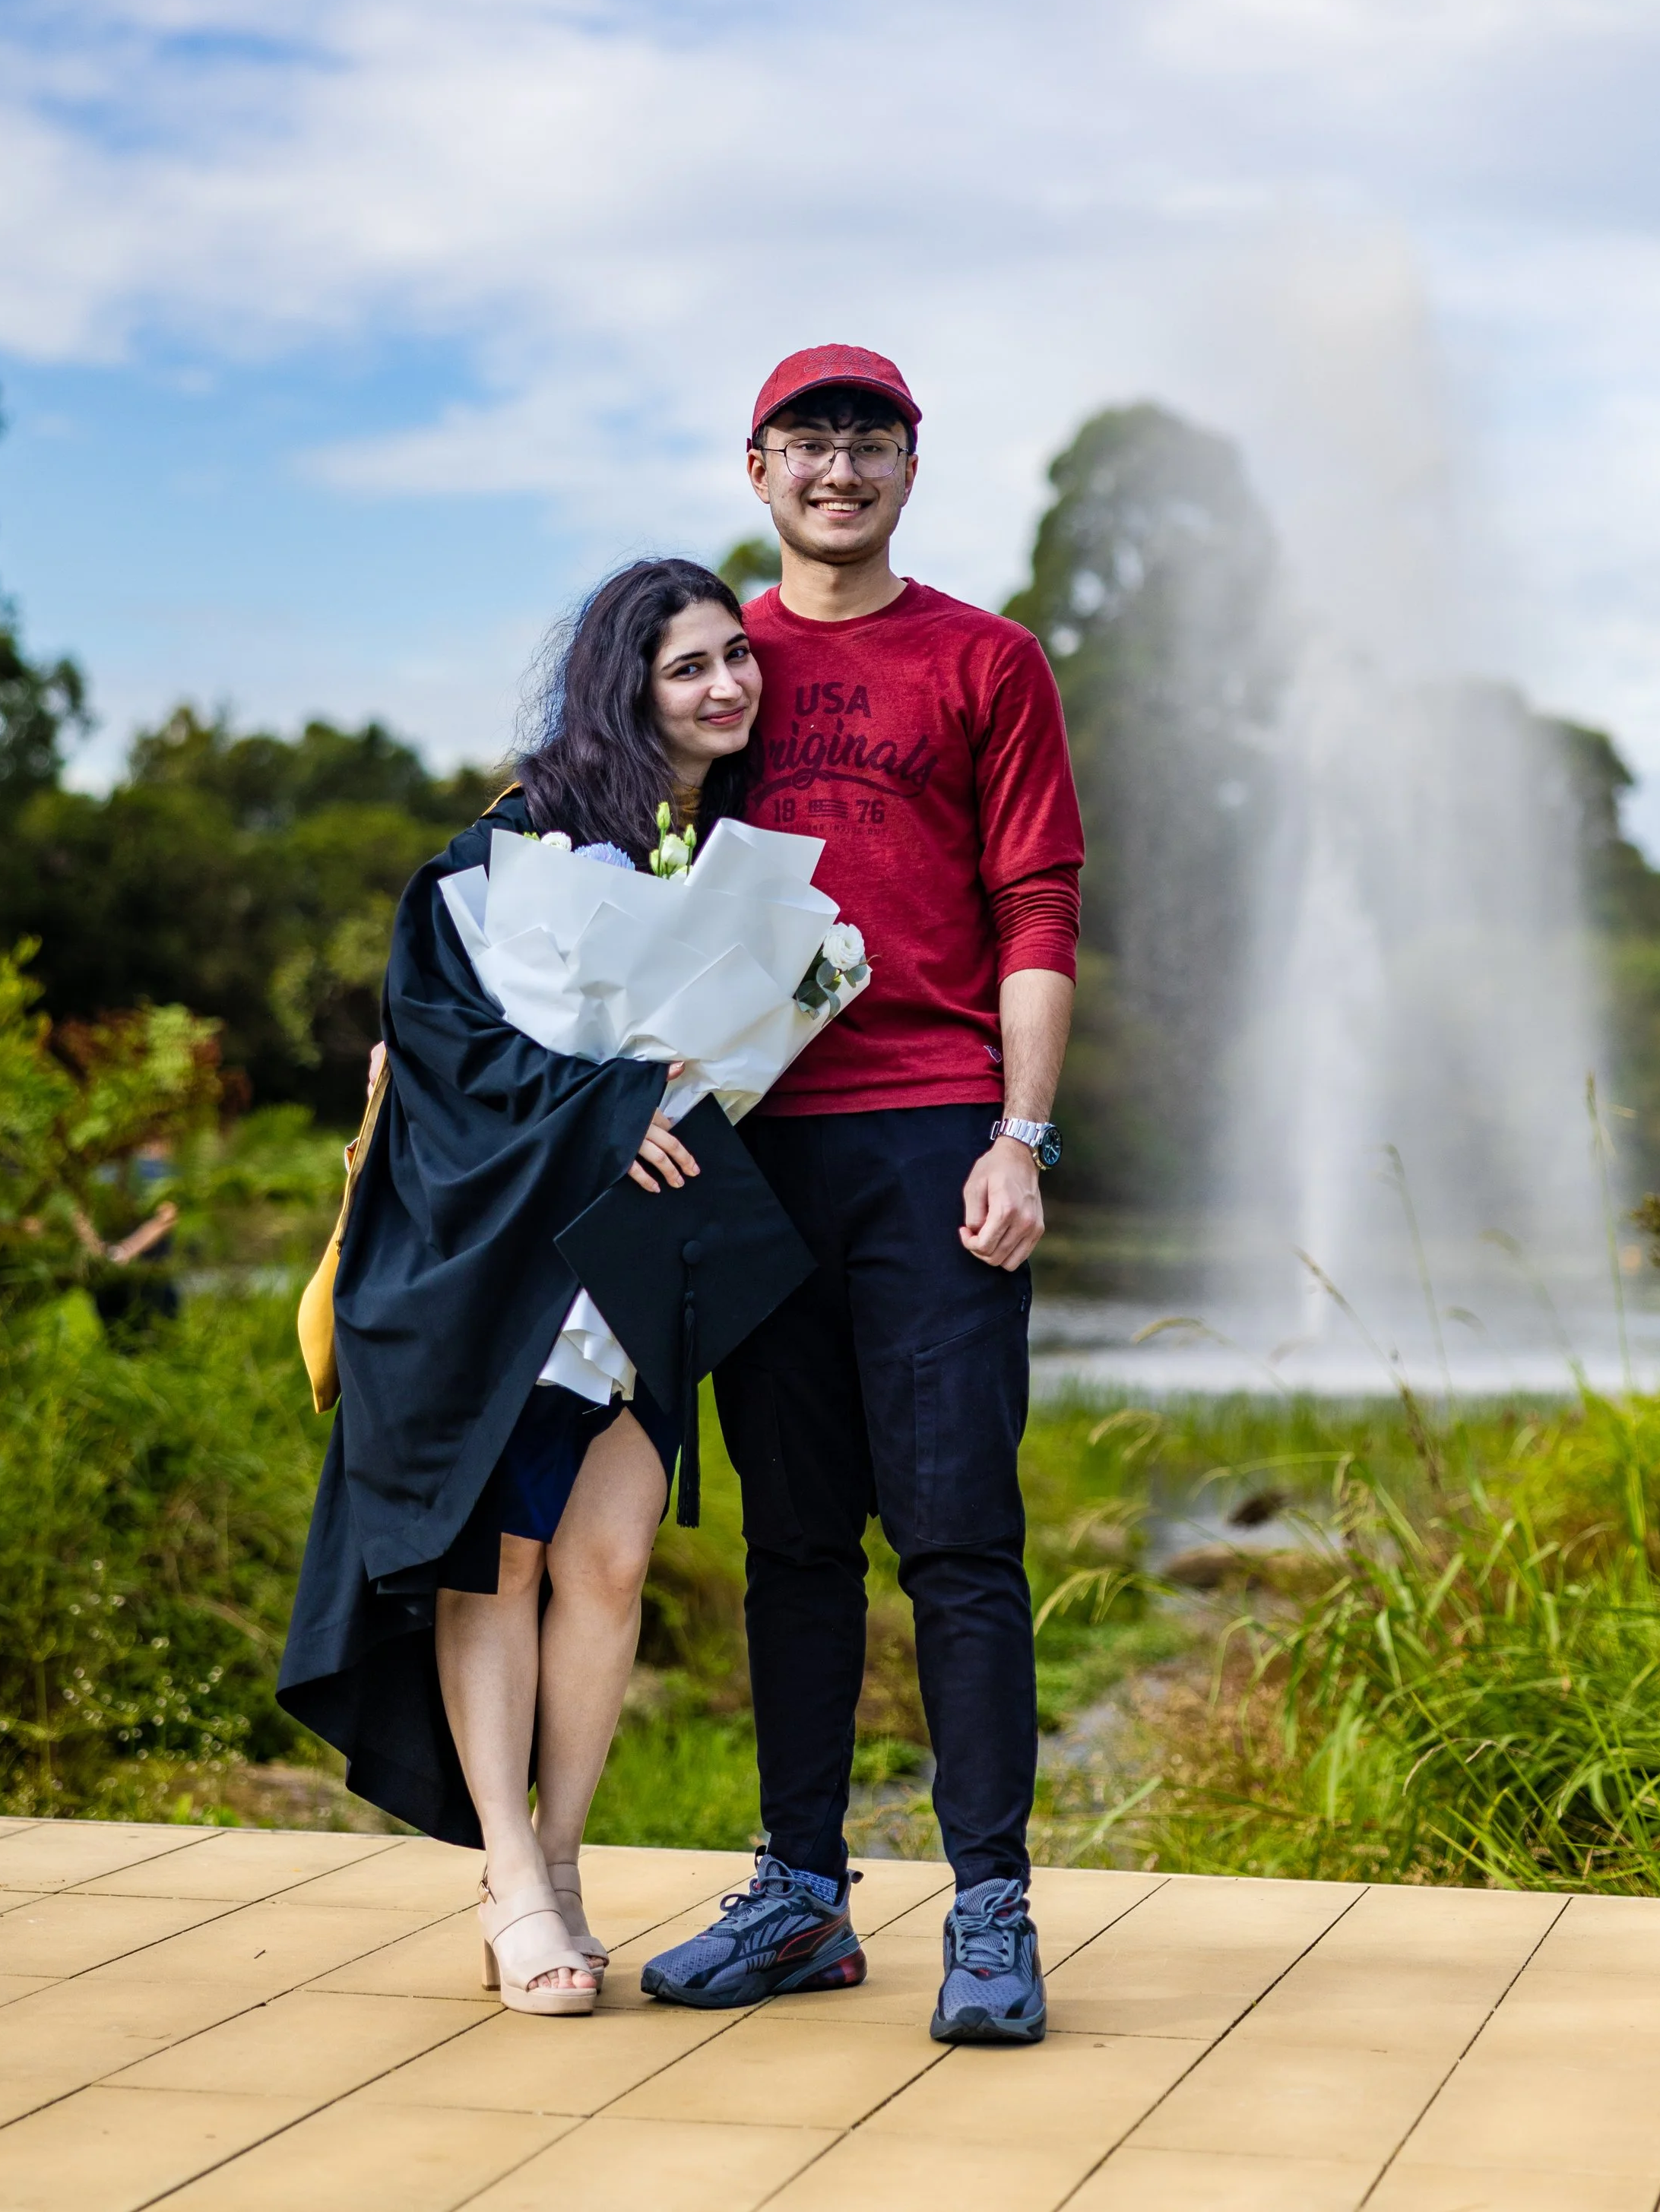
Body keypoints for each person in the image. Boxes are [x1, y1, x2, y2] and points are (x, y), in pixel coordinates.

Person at [642, 347, 1082, 2046]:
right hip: (746, 1145)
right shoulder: (709, 664)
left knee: (958, 1534)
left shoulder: (985, 660)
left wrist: (1016, 1135)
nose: (839, 466)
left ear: (909, 464)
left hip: (928, 1133)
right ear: (757, 467)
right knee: (792, 1540)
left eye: (869, 439)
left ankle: (989, 1909)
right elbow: (599, 857)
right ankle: (802, 1898)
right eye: (809, 439)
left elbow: (1035, 904)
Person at [279, 559, 762, 2016]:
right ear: (628, 681)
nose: (726, 684)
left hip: (647, 1253)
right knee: (501, 1558)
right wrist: (620, 1110)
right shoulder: (511, 847)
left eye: (739, 656)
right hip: (514, 1269)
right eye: (690, 666)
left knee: (608, 1559)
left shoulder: (728, 848)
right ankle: (509, 1878)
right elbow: (445, 1051)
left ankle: (561, 1860)